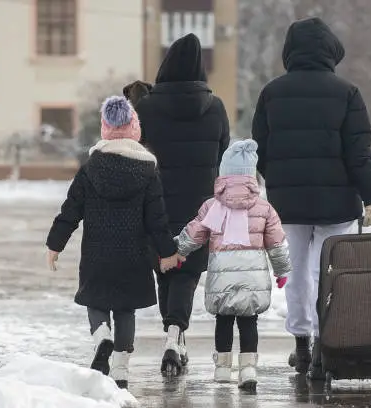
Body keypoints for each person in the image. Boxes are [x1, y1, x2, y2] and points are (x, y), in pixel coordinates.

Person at [251, 17, 371, 379]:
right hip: (337, 203)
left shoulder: (271, 92)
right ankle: (324, 350)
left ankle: (301, 344)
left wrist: (276, 178)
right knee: (329, 273)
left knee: (294, 273)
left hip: (287, 204)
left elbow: (259, 148)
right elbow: (359, 155)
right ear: (331, 51)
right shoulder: (347, 92)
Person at [45, 95, 184, 389]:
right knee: (125, 309)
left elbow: (71, 210)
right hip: (134, 254)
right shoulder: (148, 171)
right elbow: (157, 219)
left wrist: (55, 244)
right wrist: (167, 252)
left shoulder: (90, 168)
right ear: (135, 130)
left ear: (105, 130)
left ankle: (101, 337)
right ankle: (120, 369)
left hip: (97, 251)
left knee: (95, 300)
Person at [135, 33, 231, 375]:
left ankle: (173, 334)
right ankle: (176, 333)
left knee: (166, 265)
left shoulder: (146, 106)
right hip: (200, 204)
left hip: (155, 199)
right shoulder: (215, 107)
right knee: (187, 272)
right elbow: (223, 155)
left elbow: (135, 148)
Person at [175, 140, 292, 390]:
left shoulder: (212, 207)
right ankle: (248, 369)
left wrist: (176, 252)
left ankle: (222, 369)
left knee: (224, 320)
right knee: (249, 322)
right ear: (251, 176)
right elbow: (277, 244)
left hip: (222, 279)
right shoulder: (264, 208)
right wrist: (282, 271)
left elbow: (195, 233)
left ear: (223, 175)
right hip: (253, 280)